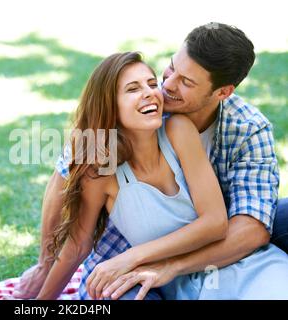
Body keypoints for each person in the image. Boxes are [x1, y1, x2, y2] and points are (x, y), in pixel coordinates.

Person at [13, 22, 288, 300]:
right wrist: (43, 270)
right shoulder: (104, 153)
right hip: (129, 258)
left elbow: (237, 226)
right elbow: (70, 208)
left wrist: (157, 262)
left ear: (222, 92)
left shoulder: (218, 128)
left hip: (220, 255)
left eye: (186, 82)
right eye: (170, 69)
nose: (165, 86)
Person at [36, 50, 231, 300]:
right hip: (163, 282)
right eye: (132, 89)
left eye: (152, 83)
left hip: (222, 267)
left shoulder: (179, 130)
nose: (150, 93)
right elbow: (77, 245)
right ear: (110, 106)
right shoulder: (101, 171)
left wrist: (131, 256)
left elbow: (215, 223)